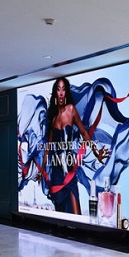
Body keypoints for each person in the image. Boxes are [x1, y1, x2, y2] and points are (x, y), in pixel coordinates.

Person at [40, 77, 107, 214]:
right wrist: (42, 170)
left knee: (76, 213)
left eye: (64, 89)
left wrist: (96, 152)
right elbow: (48, 147)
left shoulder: (71, 110)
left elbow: (83, 132)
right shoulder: (52, 117)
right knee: (60, 212)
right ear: (55, 93)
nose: (61, 93)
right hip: (57, 171)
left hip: (69, 168)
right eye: (58, 89)